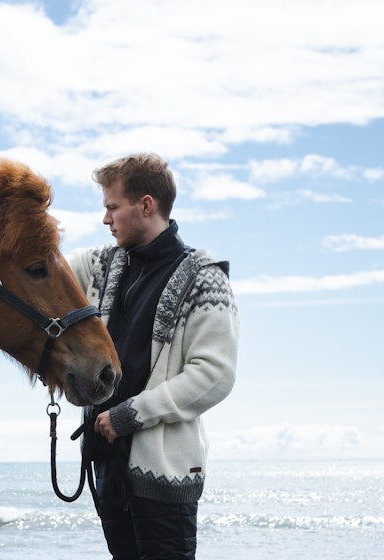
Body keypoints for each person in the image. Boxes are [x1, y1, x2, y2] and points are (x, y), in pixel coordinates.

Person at [67, 153, 239, 560]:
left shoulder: (205, 277)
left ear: (146, 205)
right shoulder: (100, 264)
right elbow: (39, 273)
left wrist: (130, 414)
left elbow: (215, 375)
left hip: (163, 475)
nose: (105, 219)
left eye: (112, 207)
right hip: (107, 464)